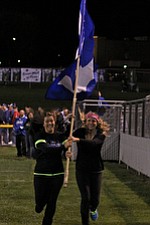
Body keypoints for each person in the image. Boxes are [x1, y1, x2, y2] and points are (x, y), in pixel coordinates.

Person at [68, 111, 110, 225]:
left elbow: (94, 144)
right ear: (85, 122)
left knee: (95, 200)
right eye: (89, 120)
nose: (91, 123)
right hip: (82, 169)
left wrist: (78, 140)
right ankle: (85, 222)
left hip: (96, 169)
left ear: (97, 122)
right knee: (85, 198)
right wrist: (67, 120)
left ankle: (94, 208)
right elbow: (68, 135)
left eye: (93, 121)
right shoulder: (80, 132)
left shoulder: (101, 134)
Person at [32, 113, 72, 225]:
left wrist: (66, 154)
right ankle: (39, 206)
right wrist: (62, 147)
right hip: (41, 174)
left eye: (52, 121)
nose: (50, 123)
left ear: (54, 122)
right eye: (47, 121)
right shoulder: (39, 136)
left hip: (57, 174)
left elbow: (64, 151)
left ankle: (47, 222)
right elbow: (46, 149)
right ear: (44, 124)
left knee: (52, 202)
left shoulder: (60, 136)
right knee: (39, 204)